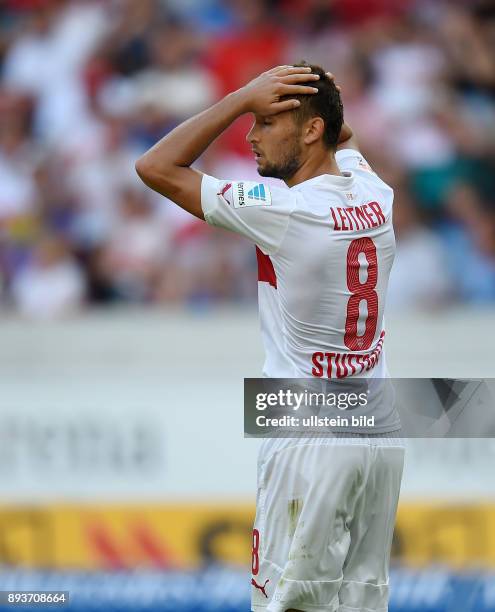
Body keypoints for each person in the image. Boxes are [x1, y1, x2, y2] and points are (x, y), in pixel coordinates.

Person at [136, 62, 404, 612]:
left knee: (284, 605)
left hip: (308, 436)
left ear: (310, 132)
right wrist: (312, 90)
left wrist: (238, 96)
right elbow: (341, 134)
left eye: (263, 122)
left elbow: (155, 166)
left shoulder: (285, 209)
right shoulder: (375, 190)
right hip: (379, 434)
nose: (251, 136)